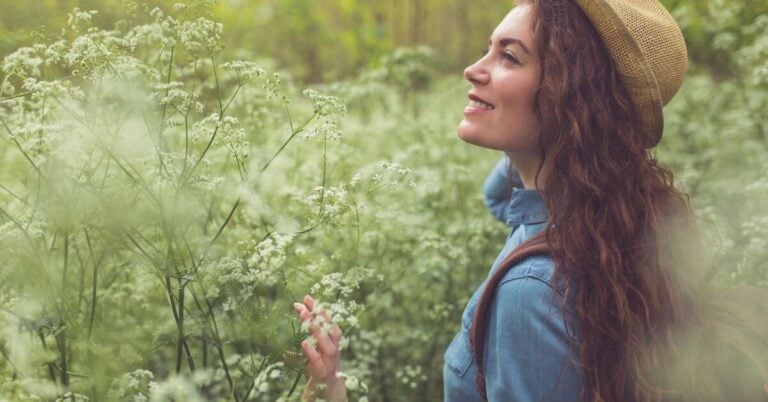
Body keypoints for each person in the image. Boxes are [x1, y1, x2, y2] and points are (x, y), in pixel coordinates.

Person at [295, 0, 768, 401]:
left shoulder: (530, 293)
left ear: (569, 96)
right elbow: (502, 198)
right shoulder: (618, 216)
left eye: (509, 57)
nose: (472, 69)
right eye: (488, 47)